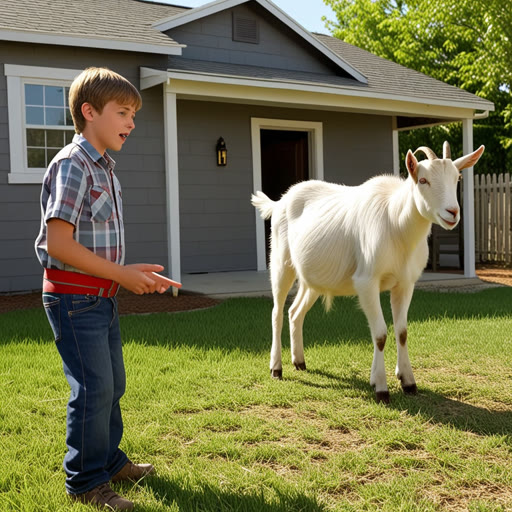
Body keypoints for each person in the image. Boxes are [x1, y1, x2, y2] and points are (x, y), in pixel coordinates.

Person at [35, 67, 171, 511]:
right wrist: (121, 274)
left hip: (100, 298)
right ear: (89, 112)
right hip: (74, 298)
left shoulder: (105, 167)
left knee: (112, 385)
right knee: (93, 389)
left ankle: (110, 462)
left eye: (134, 114)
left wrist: (129, 274)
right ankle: (86, 481)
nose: (131, 122)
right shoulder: (73, 165)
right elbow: (58, 243)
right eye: (123, 112)